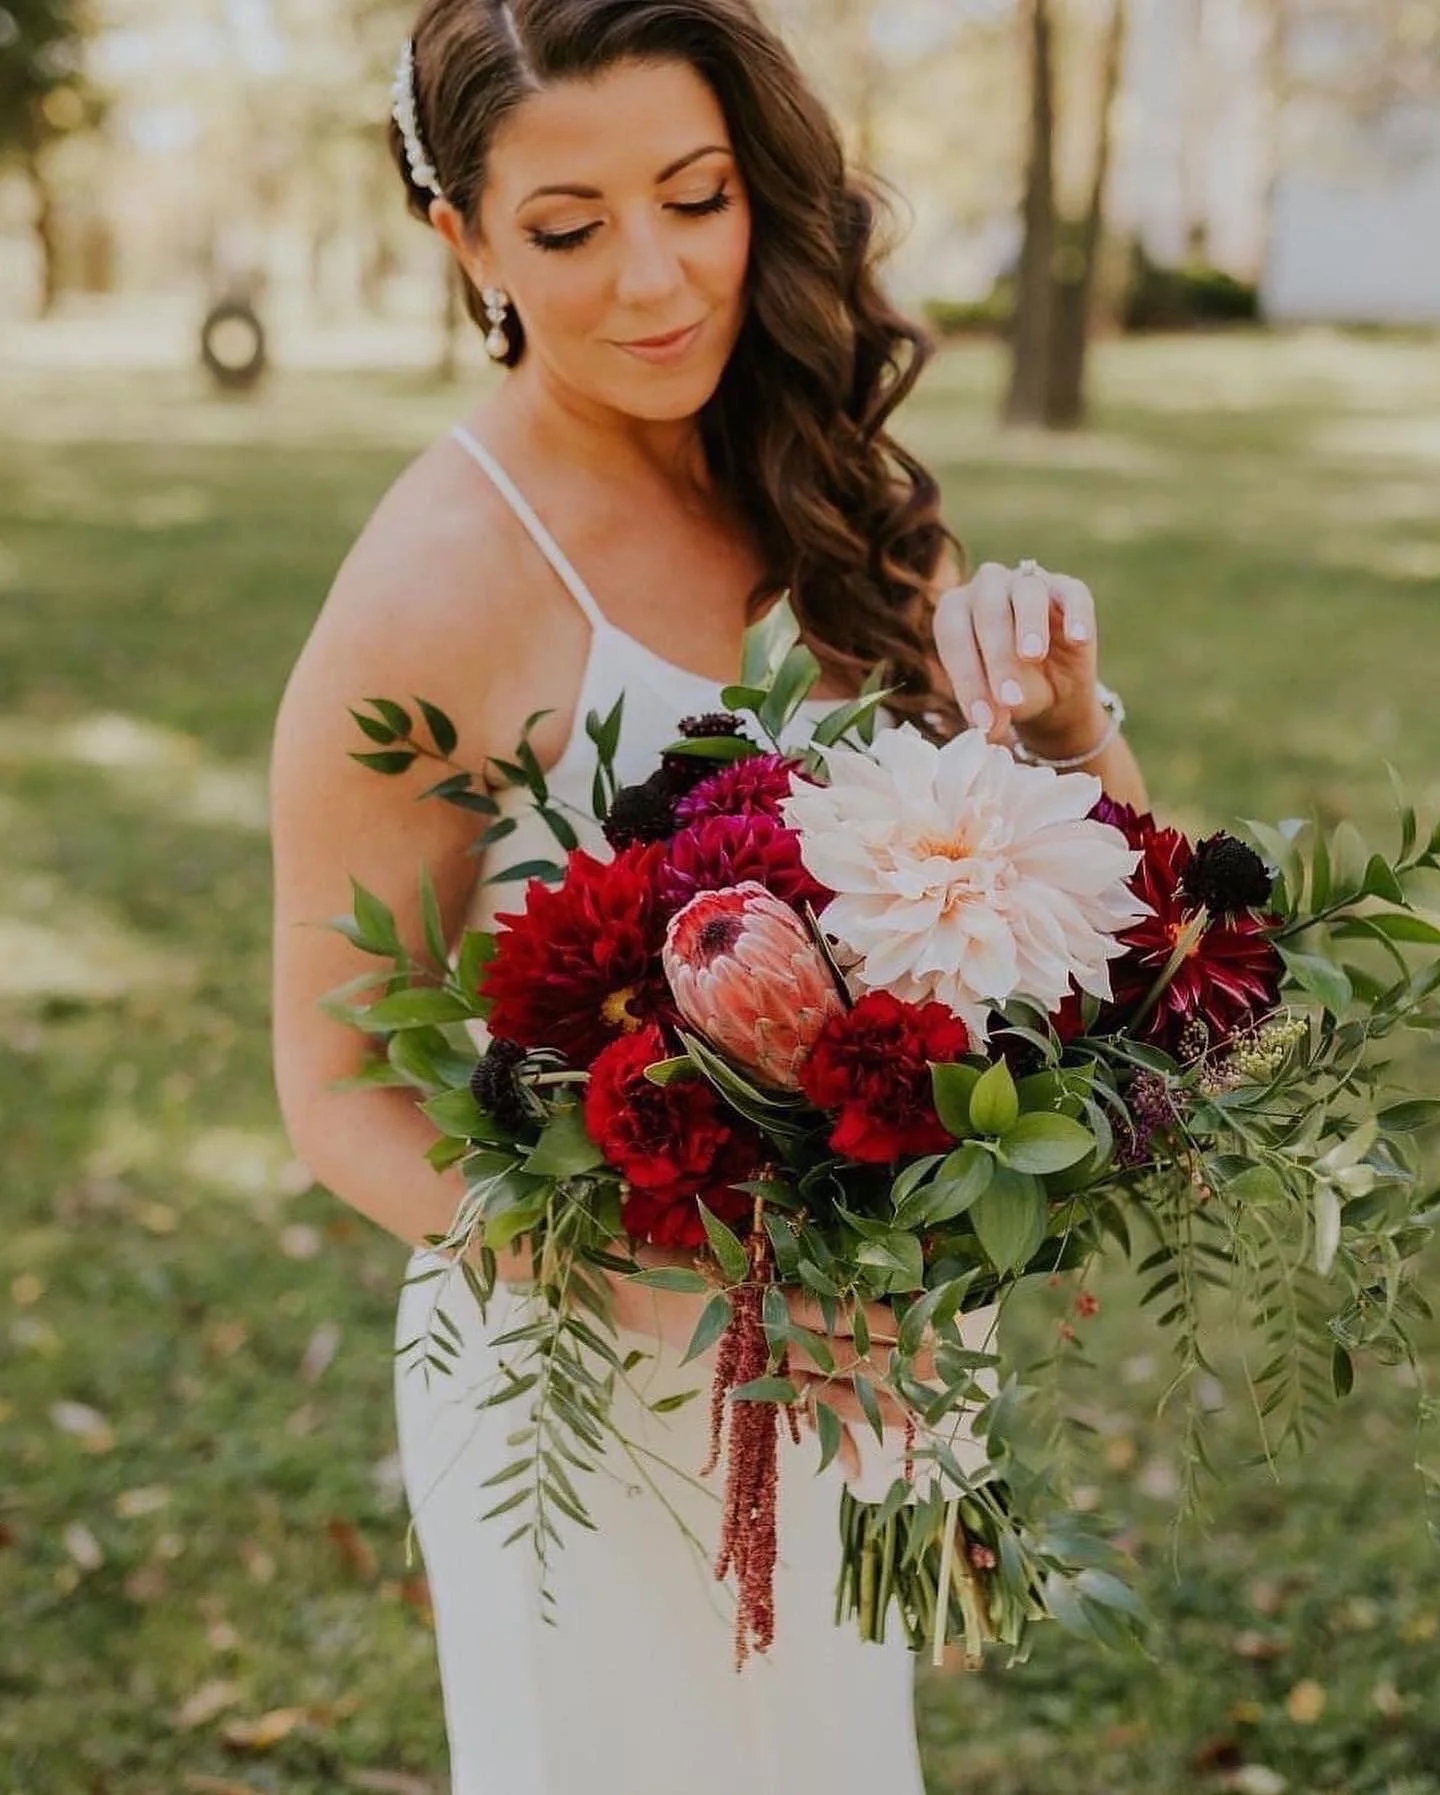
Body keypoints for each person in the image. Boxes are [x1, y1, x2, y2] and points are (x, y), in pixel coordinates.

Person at [269, 2, 1150, 1789]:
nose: (660, 281)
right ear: (466, 244)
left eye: (699, 196)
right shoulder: (432, 590)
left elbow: (1116, 926)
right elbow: (338, 1092)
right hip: (588, 1401)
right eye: (573, 229)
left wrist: (1058, 725)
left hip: (860, 1380)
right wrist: (699, 1262)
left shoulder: (835, 488)